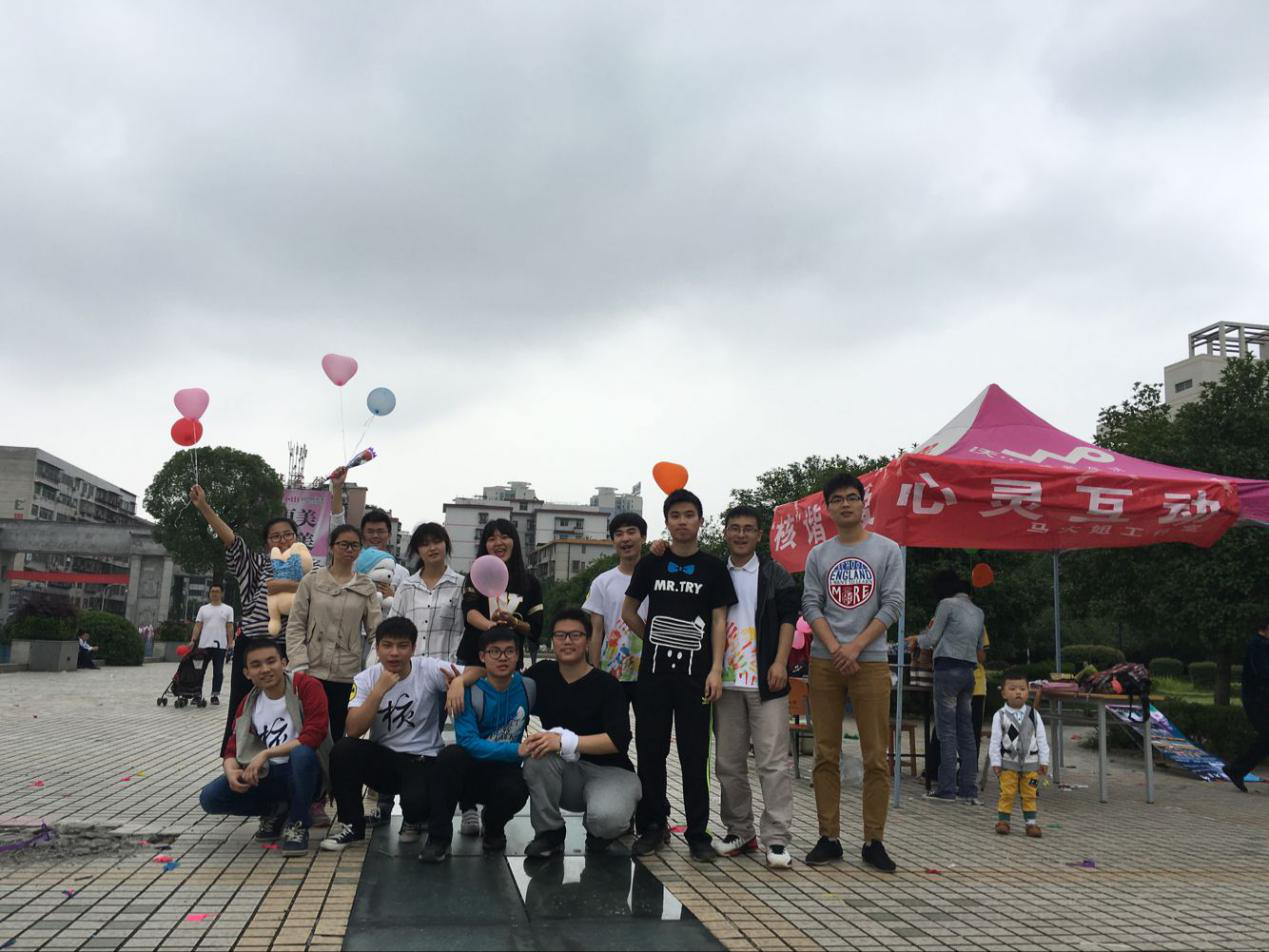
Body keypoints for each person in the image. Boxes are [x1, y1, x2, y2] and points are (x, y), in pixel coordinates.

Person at [623, 489, 736, 863]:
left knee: (694, 754)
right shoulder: (652, 563)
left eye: (689, 515)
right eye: (675, 515)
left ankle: (698, 833)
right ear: (667, 522)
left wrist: (716, 668)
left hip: (696, 678)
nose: (683, 521)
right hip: (653, 677)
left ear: (701, 521)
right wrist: (654, 638)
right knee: (650, 751)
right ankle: (653, 826)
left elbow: (719, 620)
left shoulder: (713, 568)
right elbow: (628, 611)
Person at [801, 473, 904, 872]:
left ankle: (874, 840)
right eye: (837, 499)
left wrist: (856, 646)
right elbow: (812, 604)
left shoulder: (887, 550)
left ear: (864, 503)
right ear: (827, 508)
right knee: (825, 753)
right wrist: (836, 648)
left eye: (851, 497)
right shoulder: (818, 555)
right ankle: (829, 837)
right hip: (825, 661)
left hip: (871, 660)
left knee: (875, 755)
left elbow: (892, 604)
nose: (845, 504)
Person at [189, 484, 313, 761]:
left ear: (296, 538)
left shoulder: (309, 569)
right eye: (275, 536)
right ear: (267, 543)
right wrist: (204, 507)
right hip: (253, 644)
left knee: (290, 707)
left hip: (290, 648)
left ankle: (285, 761)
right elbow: (232, 542)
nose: (282, 540)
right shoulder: (257, 565)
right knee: (243, 705)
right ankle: (236, 759)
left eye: (288, 534)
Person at [319, 617, 461, 855]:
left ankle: (414, 818)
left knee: (416, 806)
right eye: (387, 645)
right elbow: (353, 730)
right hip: (384, 759)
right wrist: (378, 691)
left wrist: (459, 682)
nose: (394, 653)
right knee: (344, 750)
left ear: (413, 648)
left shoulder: (428, 668)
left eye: (402, 646)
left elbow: (476, 671)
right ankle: (352, 825)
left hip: (421, 759)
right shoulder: (366, 678)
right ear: (377, 648)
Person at [712, 505, 799, 869]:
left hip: (766, 680)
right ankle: (740, 831)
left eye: (749, 529)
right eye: (735, 528)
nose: (741, 534)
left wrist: (780, 662)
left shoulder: (775, 573)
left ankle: (776, 838)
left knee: (773, 763)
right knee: (728, 763)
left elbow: (788, 618)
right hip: (726, 682)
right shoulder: (715, 572)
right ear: (725, 533)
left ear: (759, 535)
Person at [520, 608, 642, 857]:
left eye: (575, 635)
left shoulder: (607, 685)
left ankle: (602, 829)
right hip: (566, 774)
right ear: (553, 641)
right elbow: (504, 684)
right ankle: (550, 833)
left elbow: (617, 740)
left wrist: (565, 741)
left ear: (588, 641)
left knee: (606, 819)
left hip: (609, 771)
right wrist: (461, 681)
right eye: (560, 635)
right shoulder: (541, 674)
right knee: (536, 757)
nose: (567, 641)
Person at [198, 640, 332, 857]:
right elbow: (232, 748)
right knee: (210, 797)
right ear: (247, 673)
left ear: (284, 663)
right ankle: (276, 810)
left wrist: (266, 753)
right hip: (267, 774)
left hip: (306, 773)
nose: (265, 669)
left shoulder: (306, 687)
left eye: (271, 661)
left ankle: (298, 824)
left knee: (302, 754)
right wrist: (231, 771)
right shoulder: (249, 702)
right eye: (256, 665)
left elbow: (314, 735)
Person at [455, 519, 543, 837]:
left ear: (515, 542)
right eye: (491, 538)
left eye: (505, 536)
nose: (498, 542)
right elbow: (469, 613)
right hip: (475, 659)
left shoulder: (529, 582)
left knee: (503, 727)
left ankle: (497, 803)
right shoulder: (475, 575)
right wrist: (492, 627)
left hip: (508, 659)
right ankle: (467, 804)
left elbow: (535, 627)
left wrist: (512, 624)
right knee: (470, 731)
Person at [426, 626, 532, 862]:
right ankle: (438, 839)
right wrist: (517, 749)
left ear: (518, 655)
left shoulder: (528, 688)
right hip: (471, 772)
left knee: (517, 790)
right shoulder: (467, 691)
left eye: (509, 651)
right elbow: (469, 743)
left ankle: (493, 827)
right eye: (494, 651)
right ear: (482, 656)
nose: (503, 657)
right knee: (450, 757)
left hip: (505, 770)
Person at [286, 524, 382, 744]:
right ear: (331, 547)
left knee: (336, 735)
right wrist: (299, 662)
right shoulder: (311, 580)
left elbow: (376, 631)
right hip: (311, 670)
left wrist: (374, 663)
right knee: (306, 733)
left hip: (346, 674)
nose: (349, 549)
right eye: (343, 544)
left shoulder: (366, 586)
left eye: (355, 545)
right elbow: (296, 624)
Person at [907, 570, 985, 804]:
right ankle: (968, 788)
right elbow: (979, 649)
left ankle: (947, 788)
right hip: (968, 673)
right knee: (966, 732)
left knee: (947, 731)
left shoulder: (946, 605)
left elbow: (931, 639)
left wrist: (915, 639)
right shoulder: (978, 612)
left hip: (947, 670)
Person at [390, 523, 466, 661]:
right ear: (417, 551)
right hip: (411, 667)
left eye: (437, 542)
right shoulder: (406, 587)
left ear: (446, 544)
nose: (432, 548)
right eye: (425, 544)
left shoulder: (462, 586)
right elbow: (391, 628)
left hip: (448, 668)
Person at [990, 669, 1050, 836]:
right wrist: (996, 762)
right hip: (1008, 763)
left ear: (1027, 692)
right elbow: (995, 741)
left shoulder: (1034, 715)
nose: (1018, 692)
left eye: (1022, 689)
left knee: (1030, 793)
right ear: (1003, 693)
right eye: (1012, 689)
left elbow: (1042, 739)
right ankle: (1003, 821)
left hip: (1031, 764)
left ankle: (1031, 824)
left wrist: (1044, 761)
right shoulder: (1000, 716)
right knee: (1007, 792)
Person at [1223, 619, 1269, 792]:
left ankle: (1236, 770)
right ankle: (1236, 770)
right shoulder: (1257, 645)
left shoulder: (1263, 645)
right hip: (1256, 699)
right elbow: (1262, 672)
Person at [190, 583, 235, 703]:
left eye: (217, 591)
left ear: (222, 594)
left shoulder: (228, 609)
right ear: (209, 593)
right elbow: (198, 625)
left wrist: (230, 642)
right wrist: (193, 640)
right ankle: (197, 694)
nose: (215, 594)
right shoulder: (203, 609)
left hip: (220, 645)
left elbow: (230, 627)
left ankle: (215, 695)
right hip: (203, 645)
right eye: (212, 591)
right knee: (199, 670)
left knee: (218, 672)